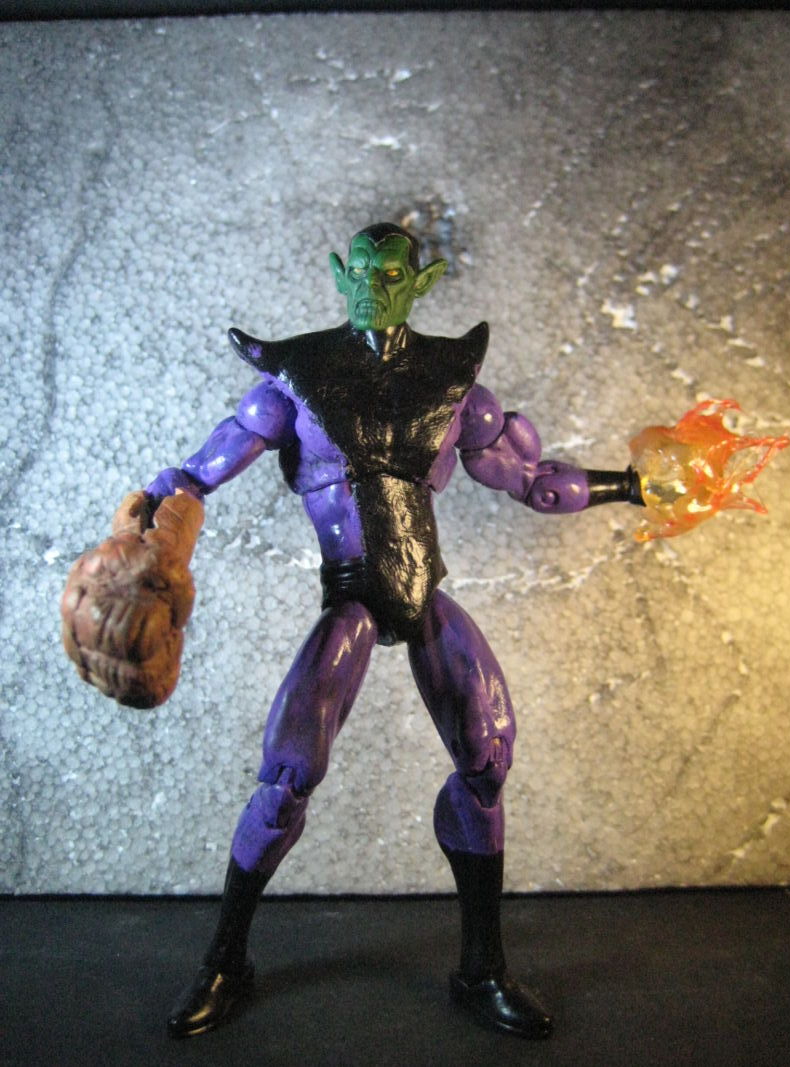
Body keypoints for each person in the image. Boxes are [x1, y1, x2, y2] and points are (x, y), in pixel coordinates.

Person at [63, 222, 643, 1041]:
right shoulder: (295, 386)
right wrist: (140, 535)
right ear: (342, 274)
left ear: (421, 282)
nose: (374, 283)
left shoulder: (456, 392)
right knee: (287, 776)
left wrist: (637, 485)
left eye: (393, 272)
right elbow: (196, 473)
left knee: (486, 758)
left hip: (424, 595)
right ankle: (225, 961)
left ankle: (482, 968)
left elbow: (536, 481)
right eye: (362, 270)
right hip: (353, 603)